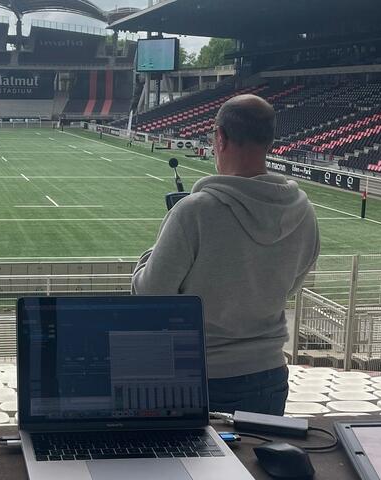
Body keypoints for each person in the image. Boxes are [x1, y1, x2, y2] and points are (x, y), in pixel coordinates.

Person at [131, 94, 320, 416]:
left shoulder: (194, 211)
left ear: (219, 137)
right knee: (255, 467)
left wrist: (155, 247)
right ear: (270, 139)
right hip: (269, 375)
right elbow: (289, 287)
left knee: (193, 466)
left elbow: (149, 294)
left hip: (195, 375)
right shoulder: (305, 213)